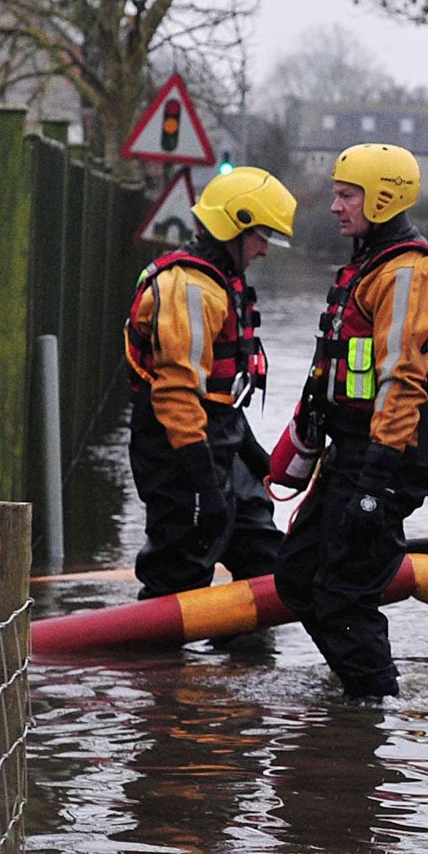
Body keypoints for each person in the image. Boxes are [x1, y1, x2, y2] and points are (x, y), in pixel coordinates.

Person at [273, 143, 428, 701]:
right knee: (299, 578)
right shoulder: (369, 266)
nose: (334, 205)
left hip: (388, 455)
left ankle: (373, 712)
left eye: (346, 194)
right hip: (350, 449)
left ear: (382, 199)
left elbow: (403, 380)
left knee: (343, 594)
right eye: (336, 192)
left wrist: (376, 481)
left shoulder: (409, 272)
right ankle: (357, 692)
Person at [123, 166, 294, 599]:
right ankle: (158, 663)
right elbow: (178, 395)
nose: (264, 251)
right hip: (179, 453)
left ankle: (243, 664)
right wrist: (205, 485)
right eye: (262, 237)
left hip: (218, 442)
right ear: (236, 226)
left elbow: (222, 390)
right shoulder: (191, 289)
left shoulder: (219, 281)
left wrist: (251, 454)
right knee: (178, 574)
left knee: (265, 565)